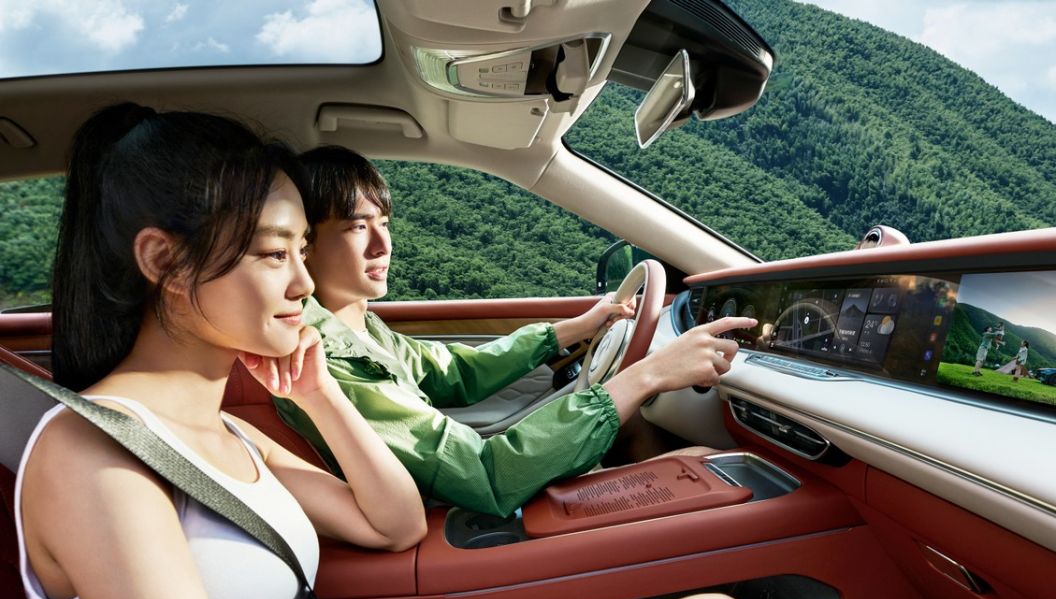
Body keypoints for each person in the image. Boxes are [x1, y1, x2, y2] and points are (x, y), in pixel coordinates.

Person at [16, 103, 862, 599]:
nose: (304, 287)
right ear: (164, 262)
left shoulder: (225, 433)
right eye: (275, 256)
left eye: (303, 253)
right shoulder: (99, 461)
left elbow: (389, 523)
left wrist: (320, 395)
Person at [275, 146, 753, 517]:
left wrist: (571, 330)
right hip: (457, 523)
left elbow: (454, 373)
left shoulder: (357, 326)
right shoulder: (326, 359)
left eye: (384, 223)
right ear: (304, 245)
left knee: (646, 439)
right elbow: (486, 475)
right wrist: (647, 376)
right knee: (709, 469)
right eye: (357, 228)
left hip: (457, 501)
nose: (384, 245)